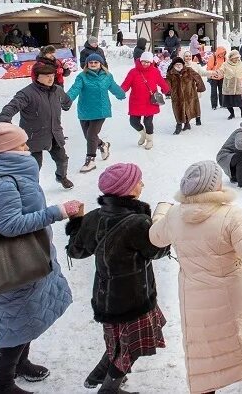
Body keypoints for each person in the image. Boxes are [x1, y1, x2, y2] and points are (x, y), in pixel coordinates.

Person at [0, 123, 82, 394]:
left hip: (25, 262)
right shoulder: (2, 181)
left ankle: (20, 364)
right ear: (5, 150)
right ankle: (0, 384)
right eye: (22, 145)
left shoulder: (2, 172)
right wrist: (57, 212)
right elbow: (8, 225)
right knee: (15, 324)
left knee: (23, 319)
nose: (27, 150)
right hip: (11, 266)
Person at [148, 161, 242, 393]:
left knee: (203, 351)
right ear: (213, 186)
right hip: (232, 291)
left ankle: (207, 388)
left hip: (195, 297)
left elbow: (156, 237)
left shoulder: (176, 214)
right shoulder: (229, 214)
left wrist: (161, 213)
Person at [66, 163, 171, 392]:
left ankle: (98, 373)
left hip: (106, 295)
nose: (142, 184)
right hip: (134, 297)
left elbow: (76, 250)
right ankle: (109, 389)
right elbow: (157, 251)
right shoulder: (137, 223)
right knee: (129, 347)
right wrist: (164, 229)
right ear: (128, 189)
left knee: (119, 339)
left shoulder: (93, 217)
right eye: (138, 181)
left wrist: (76, 223)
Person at [0, 62, 74, 190]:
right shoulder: (27, 93)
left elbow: (67, 101)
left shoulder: (57, 90)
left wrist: (66, 104)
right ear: (37, 77)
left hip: (54, 133)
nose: (50, 78)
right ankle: (33, 187)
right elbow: (11, 107)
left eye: (52, 75)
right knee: (34, 165)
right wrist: (5, 120)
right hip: (33, 136)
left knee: (62, 159)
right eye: (46, 76)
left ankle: (62, 177)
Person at [66, 55, 125, 174]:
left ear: (100, 64)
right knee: (88, 137)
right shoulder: (82, 77)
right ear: (87, 64)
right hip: (85, 110)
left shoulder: (107, 76)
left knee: (91, 135)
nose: (93, 64)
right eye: (90, 62)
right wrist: (67, 99)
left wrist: (121, 94)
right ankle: (103, 145)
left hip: (101, 110)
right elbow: (75, 89)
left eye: (96, 62)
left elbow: (114, 87)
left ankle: (90, 160)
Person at [119, 52, 170, 151]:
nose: (146, 64)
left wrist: (166, 89)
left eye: (148, 62)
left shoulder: (155, 71)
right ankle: (143, 134)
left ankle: (150, 140)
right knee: (133, 122)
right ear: (140, 61)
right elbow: (126, 84)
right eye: (144, 61)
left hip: (150, 101)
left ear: (151, 62)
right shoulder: (133, 72)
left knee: (148, 122)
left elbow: (161, 82)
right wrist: (120, 92)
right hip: (136, 101)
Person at [166, 57, 205, 134]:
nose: (178, 65)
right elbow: (167, 84)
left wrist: (200, 87)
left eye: (180, 64)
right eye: (176, 64)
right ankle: (179, 125)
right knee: (178, 110)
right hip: (177, 96)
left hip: (189, 94)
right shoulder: (170, 73)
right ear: (173, 65)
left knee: (188, 109)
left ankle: (187, 124)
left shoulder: (189, 70)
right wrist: (167, 91)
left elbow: (197, 77)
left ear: (182, 64)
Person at [220, 49, 242, 120]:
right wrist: (216, 73)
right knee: (227, 103)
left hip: (237, 86)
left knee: (238, 102)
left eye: (237, 58)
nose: (236, 59)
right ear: (231, 58)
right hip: (228, 86)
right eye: (235, 58)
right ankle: (232, 114)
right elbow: (221, 70)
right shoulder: (225, 64)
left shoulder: (241, 64)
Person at [205, 46, 227, 111]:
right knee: (214, 92)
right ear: (218, 52)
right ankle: (214, 105)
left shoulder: (225, 59)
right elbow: (209, 68)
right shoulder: (213, 58)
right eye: (222, 53)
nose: (222, 54)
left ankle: (222, 104)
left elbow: (226, 68)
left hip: (221, 77)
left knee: (222, 91)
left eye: (224, 53)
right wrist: (211, 75)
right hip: (213, 77)